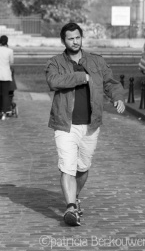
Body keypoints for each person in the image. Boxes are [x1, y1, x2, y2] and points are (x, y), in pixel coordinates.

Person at [45, 22, 125, 227]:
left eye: (77, 37)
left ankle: (75, 196)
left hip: (91, 125)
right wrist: (82, 77)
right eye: (70, 38)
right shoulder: (55, 63)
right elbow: (54, 82)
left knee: (83, 167)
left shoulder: (96, 61)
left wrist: (118, 97)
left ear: (82, 38)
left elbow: (109, 82)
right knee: (67, 168)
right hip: (65, 124)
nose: (75, 41)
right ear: (64, 41)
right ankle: (70, 207)